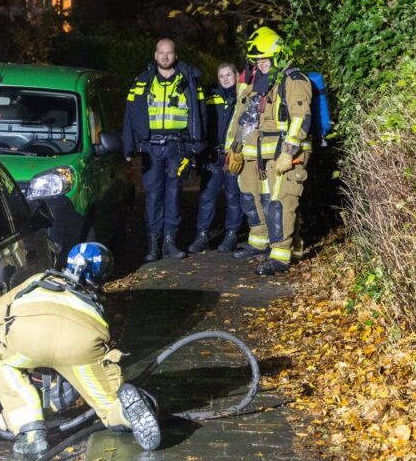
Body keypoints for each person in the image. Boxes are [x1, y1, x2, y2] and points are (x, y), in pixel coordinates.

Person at [0, 243, 161, 456]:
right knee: (108, 406)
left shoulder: (38, 280)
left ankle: (31, 433)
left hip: (26, 340)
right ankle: (131, 410)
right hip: (81, 346)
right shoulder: (96, 300)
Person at [224, 27, 313, 275]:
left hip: (285, 154)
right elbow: (244, 118)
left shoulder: (294, 80)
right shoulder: (256, 82)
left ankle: (281, 256)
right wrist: (235, 148)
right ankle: (261, 243)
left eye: (265, 58)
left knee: (280, 203)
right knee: (254, 198)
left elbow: (300, 119)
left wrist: (288, 152)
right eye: (258, 59)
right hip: (260, 154)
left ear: (277, 57)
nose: (261, 63)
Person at [123, 38, 206, 262]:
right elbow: (130, 114)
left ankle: (170, 242)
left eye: (169, 53)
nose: (165, 57)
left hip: (177, 147)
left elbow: (201, 113)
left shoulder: (188, 80)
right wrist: (128, 145)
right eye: (161, 53)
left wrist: (197, 144)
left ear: (175, 55)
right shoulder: (142, 81)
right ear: (155, 55)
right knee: (153, 196)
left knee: (173, 195)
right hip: (151, 148)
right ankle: (153, 245)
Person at [188, 63, 243, 253]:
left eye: (229, 75)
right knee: (206, 197)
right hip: (213, 155)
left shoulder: (243, 96)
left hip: (233, 154)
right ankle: (202, 236)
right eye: (221, 76)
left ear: (236, 76)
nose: (225, 79)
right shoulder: (210, 94)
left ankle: (231, 235)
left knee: (233, 196)